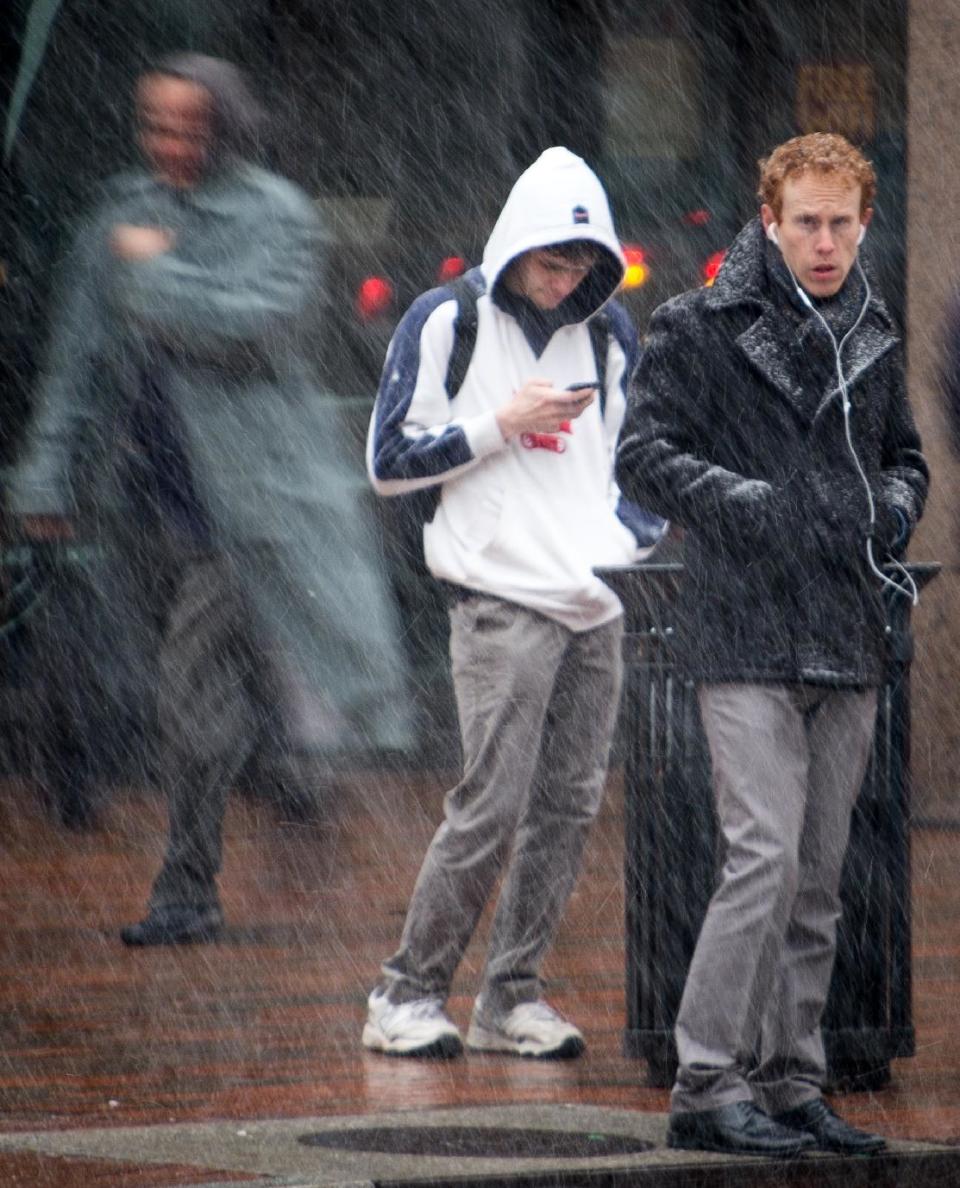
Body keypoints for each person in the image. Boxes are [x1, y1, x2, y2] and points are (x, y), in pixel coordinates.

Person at [8, 53, 408, 945]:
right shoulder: (121, 213)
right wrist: (45, 474)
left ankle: (187, 888)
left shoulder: (273, 216)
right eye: (157, 126)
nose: (171, 144)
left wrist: (155, 276)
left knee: (193, 699)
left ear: (226, 127)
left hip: (257, 505)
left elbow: (255, 328)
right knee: (224, 685)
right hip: (152, 504)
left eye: (190, 128)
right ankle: (297, 780)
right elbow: (77, 361)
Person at [615, 133, 928, 1155]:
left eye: (842, 222)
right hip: (743, 623)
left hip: (846, 622)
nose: (826, 241)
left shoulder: (875, 325)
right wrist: (754, 505)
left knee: (820, 874)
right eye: (807, 222)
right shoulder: (696, 326)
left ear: (864, 222)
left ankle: (793, 1080)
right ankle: (709, 1080)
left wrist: (887, 507)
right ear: (770, 220)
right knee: (763, 858)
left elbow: (907, 459)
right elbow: (644, 457)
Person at [363, 146, 663, 1059]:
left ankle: (510, 996)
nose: (565, 276)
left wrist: (622, 544)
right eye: (550, 257)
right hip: (496, 597)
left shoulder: (611, 334)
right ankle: (405, 992)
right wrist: (502, 427)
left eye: (581, 263)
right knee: (490, 802)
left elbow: (636, 462)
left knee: (569, 807)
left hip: (595, 601)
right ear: (516, 243)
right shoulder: (446, 319)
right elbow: (387, 464)